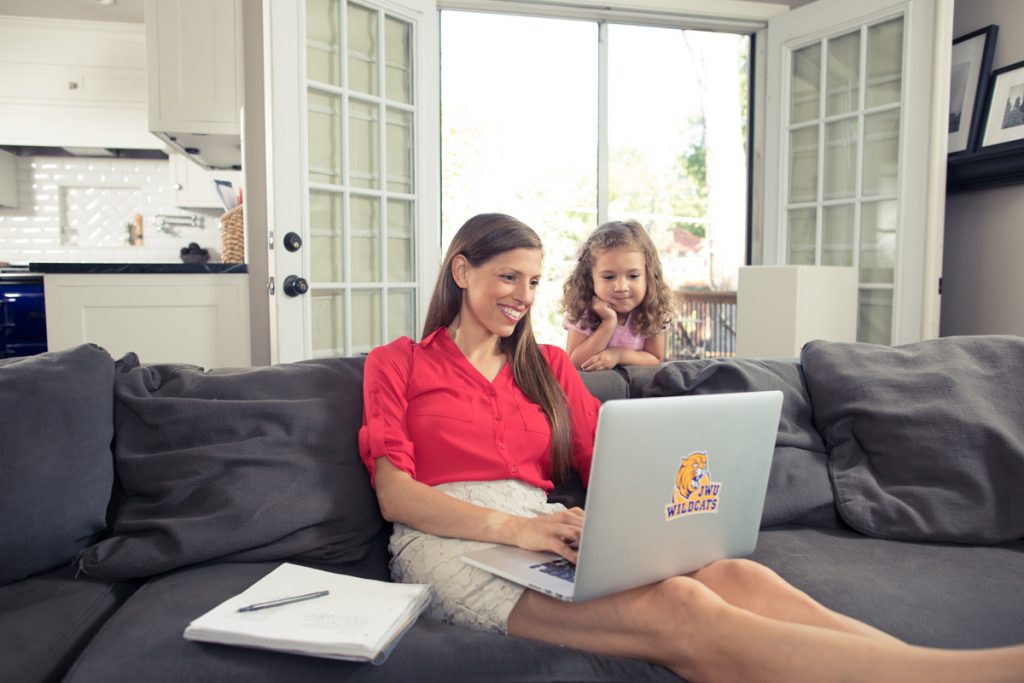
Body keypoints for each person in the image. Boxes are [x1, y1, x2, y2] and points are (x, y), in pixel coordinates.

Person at [359, 213, 1024, 683]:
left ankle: (922, 666)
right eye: (508, 278)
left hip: (541, 533)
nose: (523, 298)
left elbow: (611, 460)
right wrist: (520, 529)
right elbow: (397, 494)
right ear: (462, 269)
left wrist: (661, 514)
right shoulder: (397, 364)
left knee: (737, 576)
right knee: (684, 609)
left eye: (534, 282)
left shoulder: (552, 367)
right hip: (445, 542)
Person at [562, 219, 673, 371]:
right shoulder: (584, 312)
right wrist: (608, 323)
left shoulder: (653, 310)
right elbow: (573, 364)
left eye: (633, 276)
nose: (621, 287)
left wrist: (618, 355)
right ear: (590, 278)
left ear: (648, 276)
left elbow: (654, 358)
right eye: (609, 277)